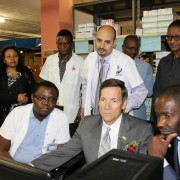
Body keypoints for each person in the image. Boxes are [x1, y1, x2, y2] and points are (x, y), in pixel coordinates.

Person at [31, 78, 153, 171]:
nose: (107, 107)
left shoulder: (142, 130)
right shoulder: (87, 124)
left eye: (114, 101)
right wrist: (32, 166)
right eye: (103, 100)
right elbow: (65, 152)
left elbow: (143, 171)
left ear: (124, 104)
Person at [81, 25, 148, 118]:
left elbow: (141, 91)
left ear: (114, 43)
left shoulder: (126, 61)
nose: (102, 46)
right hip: (92, 114)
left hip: (116, 116)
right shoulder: (89, 59)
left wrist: (125, 108)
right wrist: (84, 106)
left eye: (107, 42)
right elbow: (85, 84)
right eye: (99, 40)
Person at [0, 81, 70, 164]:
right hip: (14, 165)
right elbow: (1, 149)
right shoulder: (17, 113)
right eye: (41, 98)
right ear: (33, 98)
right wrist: (16, 170)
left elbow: (60, 153)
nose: (46, 103)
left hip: (43, 169)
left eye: (52, 99)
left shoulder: (61, 118)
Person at [39, 29, 84, 136]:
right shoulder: (50, 60)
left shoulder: (80, 62)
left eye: (66, 44)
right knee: (51, 139)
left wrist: (81, 110)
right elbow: (42, 84)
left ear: (72, 44)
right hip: (50, 107)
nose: (63, 47)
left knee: (69, 141)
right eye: (60, 44)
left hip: (71, 110)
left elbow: (84, 88)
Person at [148, 85, 180, 180]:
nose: (159, 124)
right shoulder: (171, 139)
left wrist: (158, 159)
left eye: (167, 116)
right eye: (158, 115)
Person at [0, 45, 36, 127]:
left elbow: (34, 88)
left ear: (18, 57)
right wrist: (16, 98)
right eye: (9, 56)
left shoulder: (25, 71)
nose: (12, 58)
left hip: (24, 113)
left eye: (15, 56)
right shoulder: (1, 74)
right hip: (5, 114)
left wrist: (27, 97)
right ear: (4, 60)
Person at [152, 19, 180, 122]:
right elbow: (157, 92)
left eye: (177, 37)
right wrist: (154, 120)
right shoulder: (164, 62)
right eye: (169, 37)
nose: (172, 41)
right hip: (164, 119)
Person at [122, 35, 154, 120]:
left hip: (137, 112)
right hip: (116, 111)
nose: (133, 51)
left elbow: (149, 92)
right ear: (123, 47)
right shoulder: (115, 64)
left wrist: (136, 90)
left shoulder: (145, 67)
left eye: (136, 49)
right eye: (130, 48)